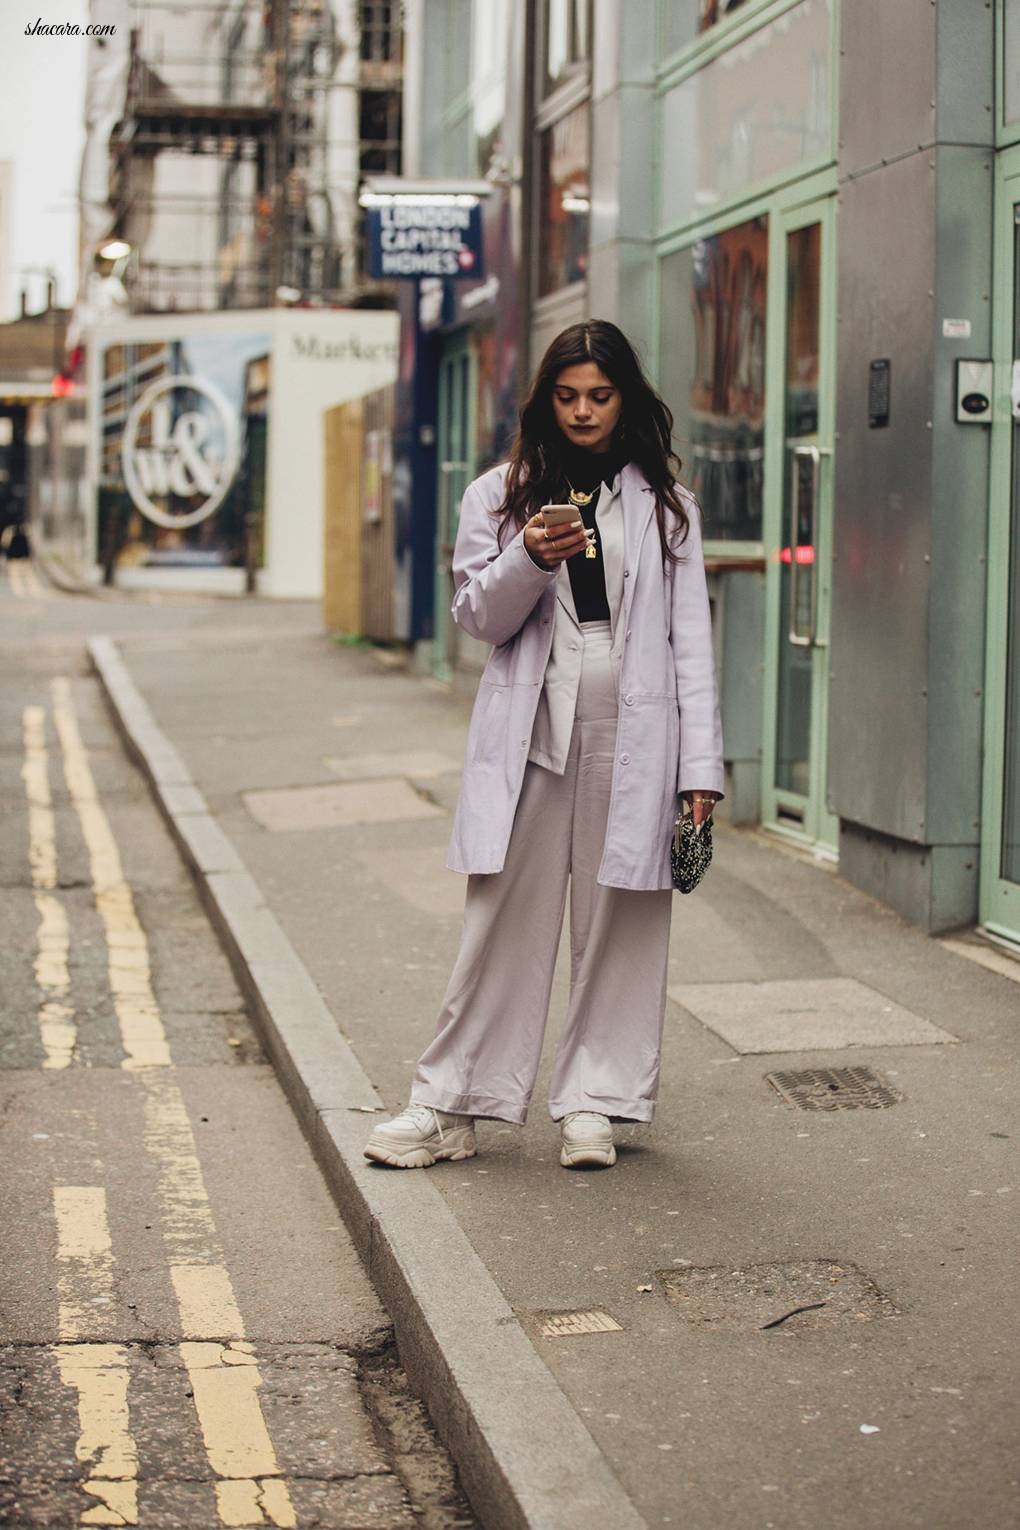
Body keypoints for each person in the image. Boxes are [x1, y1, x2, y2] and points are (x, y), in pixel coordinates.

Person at [365, 319, 724, 1172]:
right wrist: (527, 555)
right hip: (533, 725)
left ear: (625, 399)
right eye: (567, 397)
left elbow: (690, 645)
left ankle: (596, 1102)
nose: (584, 412)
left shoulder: (669, 509)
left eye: (600, 396)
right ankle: (451, 1105)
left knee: (622, 919)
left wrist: (700, 770)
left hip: (638, 727)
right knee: (501, 920)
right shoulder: (497, 495)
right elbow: (477, 619)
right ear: (546, 402)